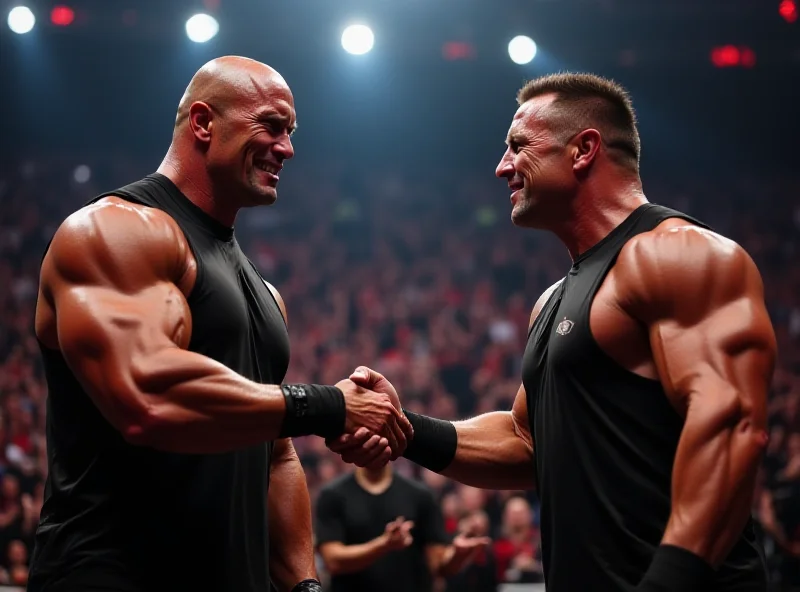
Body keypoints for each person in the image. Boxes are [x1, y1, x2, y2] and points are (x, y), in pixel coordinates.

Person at [329, 73, 777, 591]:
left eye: (518, 147)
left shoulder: (678, 254)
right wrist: (403, 428)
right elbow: (527, 442)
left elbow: (732, 425)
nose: (501, 167)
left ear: (583, 149)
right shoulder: (553, 300)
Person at [29, 56, 411, 592]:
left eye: (291, 132)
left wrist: (304, 584)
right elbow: (149, 399)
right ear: (204, 123)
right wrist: (330, 406)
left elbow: (276, 457)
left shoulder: (264, 292)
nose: (288, 148)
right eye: (271, 126)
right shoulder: (114, 230)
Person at [314, 464, 489, 592]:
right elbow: (333, 560)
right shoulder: (333, 495)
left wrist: (458, 556)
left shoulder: (421, 495)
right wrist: (383, 545)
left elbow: (439, 566)